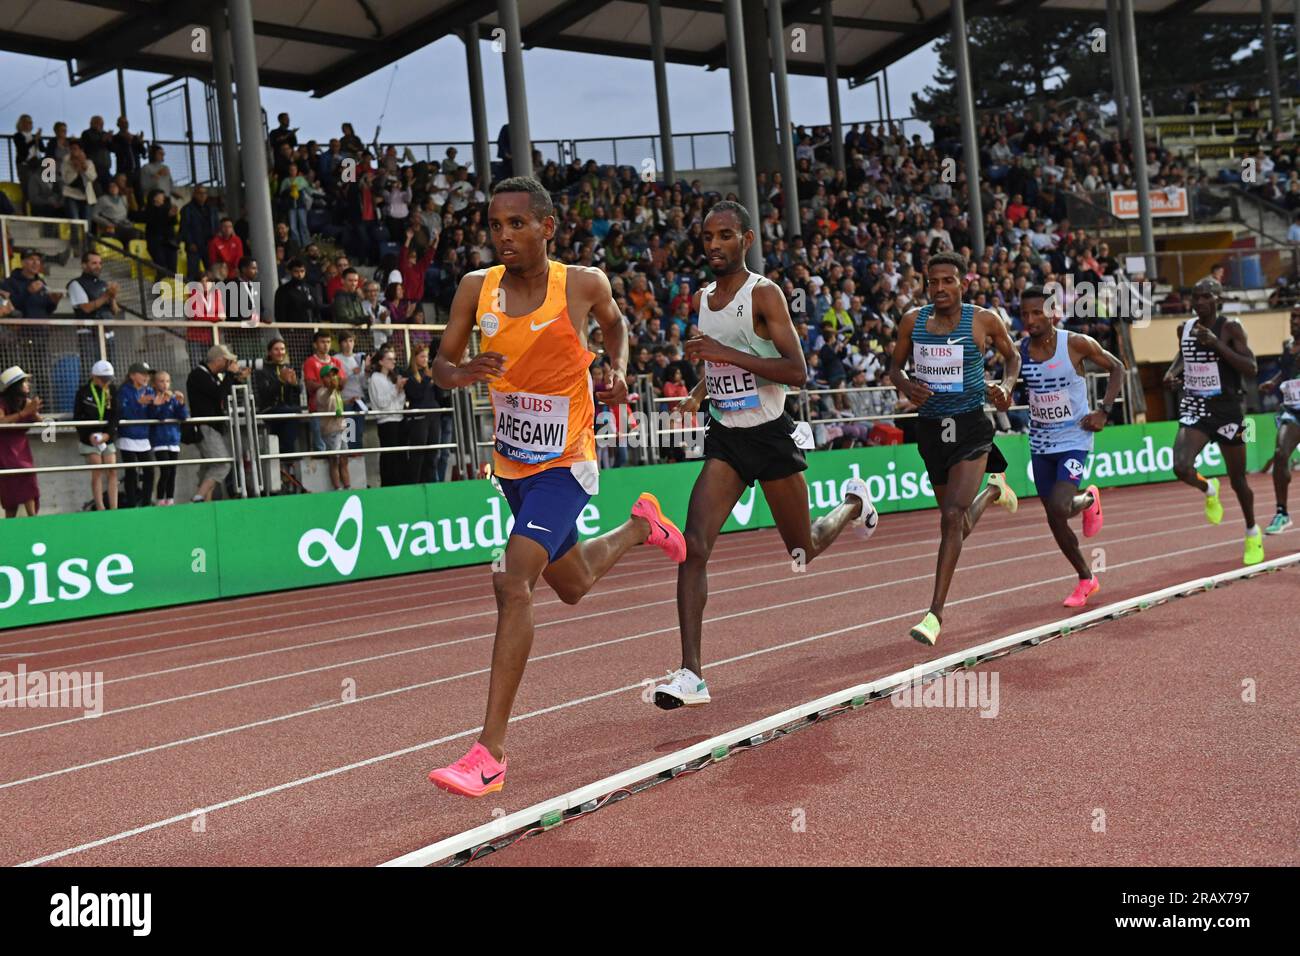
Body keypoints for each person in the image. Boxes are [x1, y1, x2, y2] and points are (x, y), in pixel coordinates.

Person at [427, 176, 687, 797]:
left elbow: (616, 326)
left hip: (568, 462)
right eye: (495, 226)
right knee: (571, 585)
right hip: (512, 465)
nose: (503, 236)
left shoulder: (582, 283)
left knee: (512, 581)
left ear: (547, 227)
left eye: (517, 224)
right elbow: (440, 366)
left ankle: (489, 753)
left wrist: (617, 368)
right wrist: (463, 372)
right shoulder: (475, 288)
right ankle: (642, 526)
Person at [655, 201, 878, 709]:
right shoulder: (705, 298)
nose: (714, 244)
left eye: (725, 235)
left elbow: (796, 371)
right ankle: (692, 674)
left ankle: (852, 503)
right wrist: (701, 389)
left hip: (772, 437)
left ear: (747, 239)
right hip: (728, 439)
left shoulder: (765, 294)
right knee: (694, 545)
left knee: (803, 549)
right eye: (708, 236)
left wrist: (722, 359)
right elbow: (720, 358)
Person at [889, 251, 1022, 645]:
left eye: (948, 280)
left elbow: (1012, 357)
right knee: (956, 523)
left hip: (970, 427)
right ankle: (996, 490)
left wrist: (1007, 387)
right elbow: (894, 367)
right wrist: (906, 385)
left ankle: (934, 614)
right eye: (933, 282)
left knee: (951, 517)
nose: (940, 288)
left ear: (963, 282)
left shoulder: (983, 320)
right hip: (931, 430)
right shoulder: (913, 321)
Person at [1019, 287, 1124, 607]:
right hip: (1040, 441)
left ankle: (1090, 498)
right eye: (1025, 314)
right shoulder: (1019, 350)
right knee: (1054, 517)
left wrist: (1104, 411)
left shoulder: (1075, 343)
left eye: (1037, 313)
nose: (1030, 320)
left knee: (1061, 505)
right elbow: (1008, 380)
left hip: (1074, 438)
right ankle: (1086, 578)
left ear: (1052, 313)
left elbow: (1117, 368)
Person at [1162, 277, 1262, 565]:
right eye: (1195, 296)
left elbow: (1251, 368)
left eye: (1205, 296)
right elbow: (1183, 355)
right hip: (1195, 405)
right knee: (1180, 467)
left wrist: (1218, 344)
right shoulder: (1185, 328)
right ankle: (1208, 488)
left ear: (1218, 298)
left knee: (1238, 480)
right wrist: (1172, 373)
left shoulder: (1231, 328)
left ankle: (1252, 532)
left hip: (1229, 410)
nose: (1199, 302)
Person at [187, 344, 249, 502]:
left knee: (210, 466)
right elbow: (217, 395)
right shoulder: (198, 375)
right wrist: (230, 375)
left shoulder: (212, 376)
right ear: (219, 360)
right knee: (222, 464)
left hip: (214, 425)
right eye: (227, 361)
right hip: (206, 425)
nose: (230, 364)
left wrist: (236, 379)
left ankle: (206, 503)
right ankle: (199, 497)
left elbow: (224, 393)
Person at [1260, 305, 1300, 534]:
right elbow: (1285, 372)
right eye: (1292, 316)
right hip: (1293, 411)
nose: (1294, 321)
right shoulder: (1288, 346)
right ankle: (1282, 513)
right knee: (1280, 453)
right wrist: (1273, 383)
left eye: (1298, 317)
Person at [253, 338, 304, 492]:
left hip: (286, 410)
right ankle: (288, 459)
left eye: (282, 349)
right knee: (293, 415)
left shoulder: (288, 367)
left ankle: (286, 461)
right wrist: (281, 380)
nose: (280, 352)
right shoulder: (262, 370)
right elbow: (265, 393)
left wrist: (295, 384)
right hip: (269, 409)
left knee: (294, 414)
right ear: (269, 352)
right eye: (276, 349)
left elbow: (296, 395)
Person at [74, 359, 121, 510]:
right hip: (90, 439)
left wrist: (108, 435)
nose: (106, 382)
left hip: (107, 438)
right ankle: (100, 507)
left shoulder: (112, 390)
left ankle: (114, 507)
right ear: (94, 376)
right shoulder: (83, 392)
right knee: (97, 468)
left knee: (112, 469)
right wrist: (88, 436)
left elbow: (115, 415)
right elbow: (78, 417)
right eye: (103, 379)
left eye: (108, 379)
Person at [116, 361, 164, 508]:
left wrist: (156, 406)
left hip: (144, 436)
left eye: (148, 375)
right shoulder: (124, 391)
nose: (146, 377)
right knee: (132, 472)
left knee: (149, 471)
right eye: (143, 374)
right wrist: (138, 402)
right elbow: (122, 413)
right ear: (132, 375)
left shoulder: (149, 390)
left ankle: (146, 502)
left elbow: (153, 415)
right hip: (128, 436)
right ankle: (131, 505)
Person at [0, 366, 41, 517]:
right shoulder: (2, 402)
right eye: (24, 382)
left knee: (29, 485)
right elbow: (1, 422)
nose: (28, 385)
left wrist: (34, 411)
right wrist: (24, 413)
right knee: (10, 494)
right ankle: (10, 531)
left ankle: (33, 522)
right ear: (16, 385)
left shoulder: (25, 401)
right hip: (5, 450)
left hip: (22, 449)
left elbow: (39, 420)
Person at [366, 346, 408, 487]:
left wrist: (399, 390)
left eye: (394, 359)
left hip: (398, 418)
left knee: (400, 456)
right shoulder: (375, 378)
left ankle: (400, 484)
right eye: (389, 359)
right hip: (386, 421)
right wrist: (396, 389)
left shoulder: (391, 378)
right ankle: (388, 485)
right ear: (381, 362)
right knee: (389, 457)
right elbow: (381, 402)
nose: (393, 362)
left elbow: (400, 402)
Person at [149, 369, 188, 506]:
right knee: (165, 471)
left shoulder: (173, 399)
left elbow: (183, 416)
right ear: (154, 383)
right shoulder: (153, 398)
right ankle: (160, 498)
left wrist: (181, 403)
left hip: (173, 439)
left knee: (172, 472)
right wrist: (164, 403)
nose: (165, 384)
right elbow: (159, 417)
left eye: (167, 381)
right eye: (161, 381)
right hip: (160, 440)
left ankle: (170, 499)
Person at [315, 365, 350, 490]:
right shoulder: (321, 392)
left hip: (342, 428)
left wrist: (349, 401)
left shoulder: (336, 391)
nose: (332, 378)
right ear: (323, 378)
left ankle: (347, 486)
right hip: (331, 430)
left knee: (344, 459)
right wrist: (332, 387)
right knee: (334, 460)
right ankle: (337, 487)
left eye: (333, 375)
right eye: (328, 376)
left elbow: (337, 405)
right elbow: (325, 398)